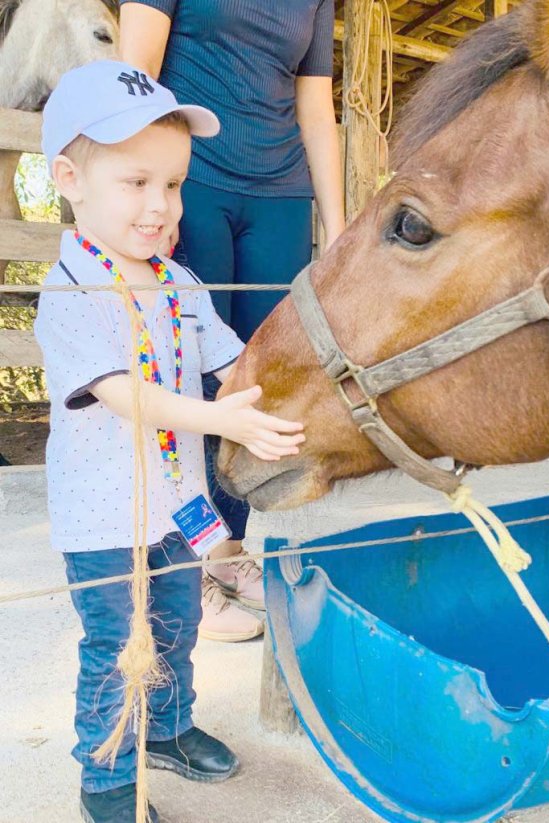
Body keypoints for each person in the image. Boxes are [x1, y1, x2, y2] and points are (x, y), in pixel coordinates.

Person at [35, 60, 305, 823]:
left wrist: (290, 388)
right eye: (137, 182)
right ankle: (108, 774)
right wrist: (226, 421)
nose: (161, 206)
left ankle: (172, 725)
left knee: (180, 623)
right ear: (69, 178)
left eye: (175, 185)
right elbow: (125, 395)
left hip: (180, 505)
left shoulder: (180, 283)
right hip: (104, 522)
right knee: (118, 648)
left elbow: (231, 360)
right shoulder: (70, 289)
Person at [118, 0, 344, 640]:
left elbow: (316, 111)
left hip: (281, 192)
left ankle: (226, 550)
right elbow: (137, 69)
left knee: (255, 379)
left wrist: (339, 228)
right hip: (197, 181)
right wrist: (150, 194)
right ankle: (178, 567)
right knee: (183, 378)